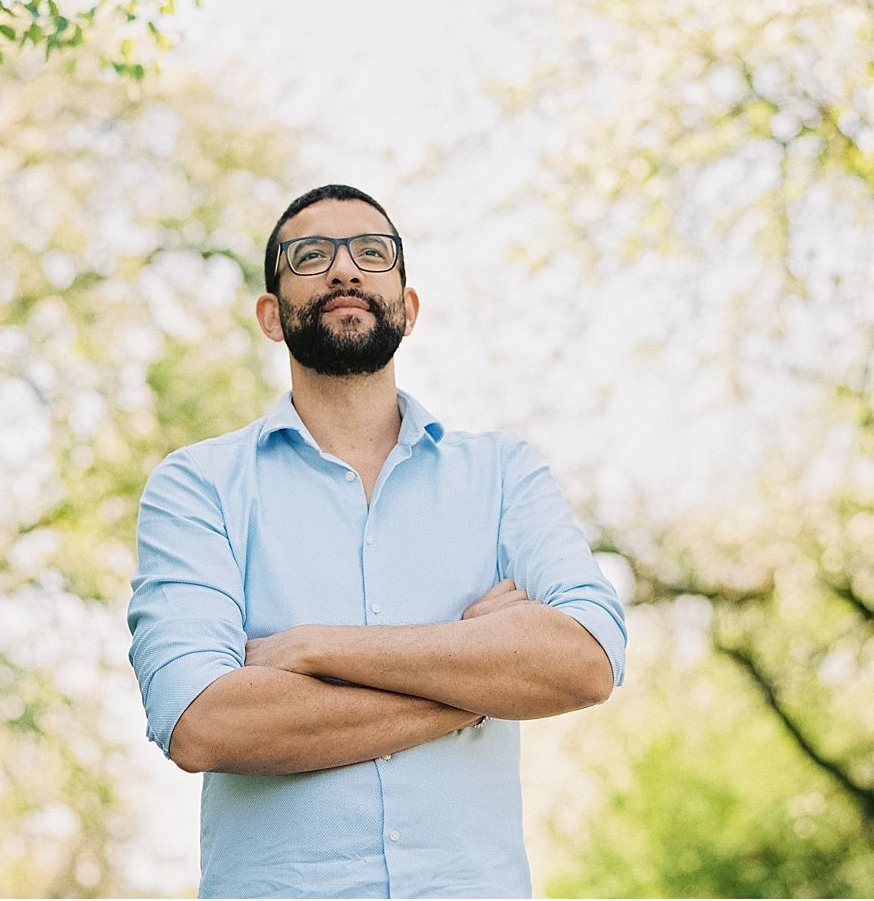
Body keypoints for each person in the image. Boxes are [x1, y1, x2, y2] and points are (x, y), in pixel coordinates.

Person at [127, 184, 628, 899]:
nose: (344, 269)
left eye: (371, 251)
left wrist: (313, 647)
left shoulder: (501, 474)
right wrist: (479, 683)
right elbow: (202, 722)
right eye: (310, 254)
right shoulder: (197, 485)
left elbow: (588, 659)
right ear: (271, 316)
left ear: (409, 307)